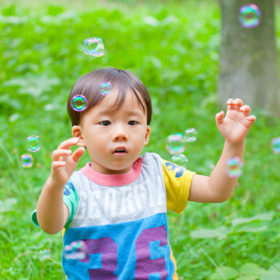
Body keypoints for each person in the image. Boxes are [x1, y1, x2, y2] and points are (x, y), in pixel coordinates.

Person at [32, 67, 256, 279]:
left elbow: (215, 191)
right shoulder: (75, 186)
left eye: (132, 122)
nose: (121, 133)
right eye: (105, 122)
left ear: (146, 133)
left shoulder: (157, 172)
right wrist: (55, 184)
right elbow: (49, 225)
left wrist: (233, 143)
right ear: (79, 135)